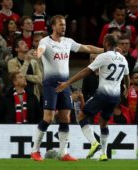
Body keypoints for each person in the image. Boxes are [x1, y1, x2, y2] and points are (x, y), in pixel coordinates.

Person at [31, 15, 103, 161]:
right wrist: (38, 53)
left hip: (65, 84)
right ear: (53, 26)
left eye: (64, 25)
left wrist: (104, 50)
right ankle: (35, 151)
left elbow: (87, 48)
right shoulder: (45, 41)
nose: (63, 27)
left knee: (65, 118)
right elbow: (41, 49)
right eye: (60, 25)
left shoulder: (68, 42)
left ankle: (63, 153)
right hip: (50, 84)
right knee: (48, 118)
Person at [55, 34, 130, 161]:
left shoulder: (104, 56)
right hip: (115, 97)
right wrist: (127, 88)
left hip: (103, 94)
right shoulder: (123, 59)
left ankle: (94, 143)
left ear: (106, 42)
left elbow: (85, 71)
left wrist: (68, 83)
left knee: (81, 117)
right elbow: (127, 77)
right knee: (103, 123)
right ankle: (104, 154)